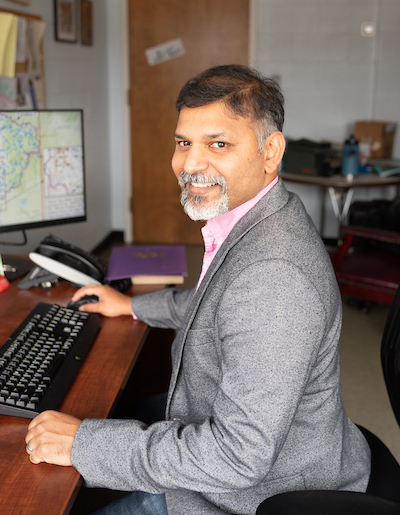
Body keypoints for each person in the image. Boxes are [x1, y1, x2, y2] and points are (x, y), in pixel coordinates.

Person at [25, 65, 371, 515]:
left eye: (219, 144)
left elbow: (236, 456)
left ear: (272, 151)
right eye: (184, 142)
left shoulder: (275, 276)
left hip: (256, 494)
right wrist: (133, 304)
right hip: (248, 449)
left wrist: (84, 445)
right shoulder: (259, 218)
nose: (190, 164)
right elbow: (219, 303)